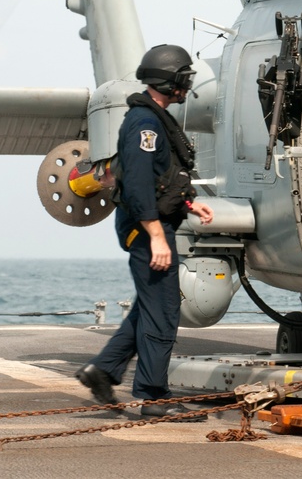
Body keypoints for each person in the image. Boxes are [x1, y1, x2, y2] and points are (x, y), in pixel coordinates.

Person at [76, 44, 213, 419]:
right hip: (145, 228)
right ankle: (154, 398)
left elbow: (160, 178)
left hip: (153, 222)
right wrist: (155, 235)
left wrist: (189, 204)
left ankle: (101, 371)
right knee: (164, 312)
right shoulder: (145, 124)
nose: (188, 84)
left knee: (149, 308)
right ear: (170, 82)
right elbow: (136, 184)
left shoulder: (152, 118)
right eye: (184, 77)